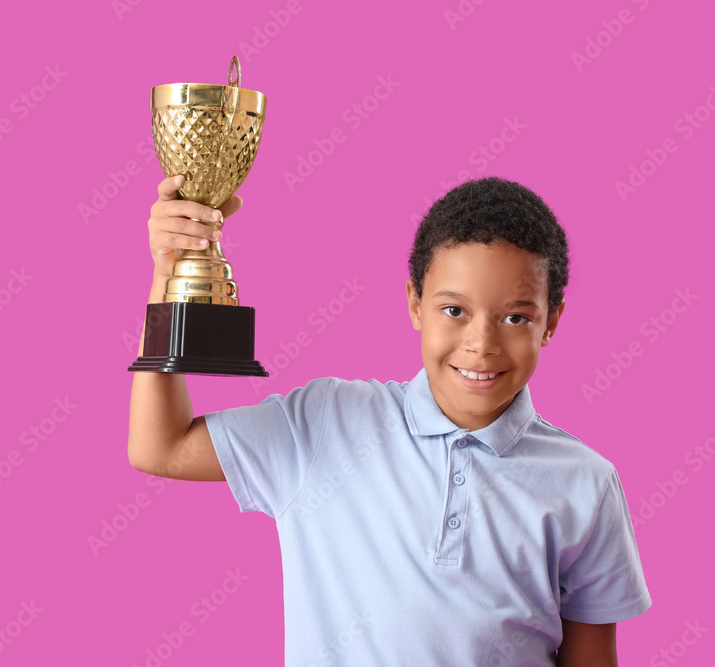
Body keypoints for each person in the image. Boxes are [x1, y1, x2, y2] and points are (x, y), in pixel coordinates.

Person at [128, 174, 652, 666]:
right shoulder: (324, 423)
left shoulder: (586, 483)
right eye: (454, 310)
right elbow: (162, 447)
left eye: (516, 317)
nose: (481, 344)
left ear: (551, 321)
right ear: (415, 303)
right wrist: (169, 274)